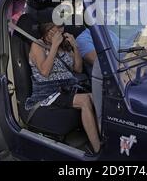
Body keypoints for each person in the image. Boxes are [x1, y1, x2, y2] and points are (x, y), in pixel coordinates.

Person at [28, 9, 101, 154]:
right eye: (53, 28)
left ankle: (104, 137)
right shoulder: (37, 45)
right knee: (85, 100)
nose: (57, 31)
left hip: (68, 87)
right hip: (48, 92)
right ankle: (98, 150)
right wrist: (54, 46)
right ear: (46, 29)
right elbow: (44, 71)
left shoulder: (64, 45)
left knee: (98, 98)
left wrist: (75, 47)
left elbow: (78, 69)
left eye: (60, 27)